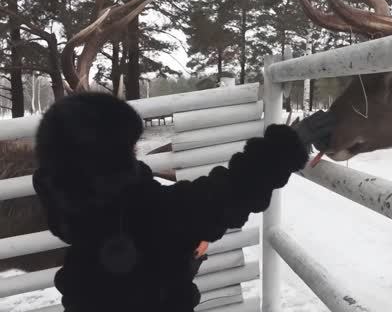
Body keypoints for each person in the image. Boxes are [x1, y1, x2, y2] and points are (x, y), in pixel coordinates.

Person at [32, 92, 327, 312]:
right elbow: (226, 193)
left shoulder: (71, 212)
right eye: (128, 148)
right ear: (112, 161)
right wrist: (286, 146)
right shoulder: (149, 212)